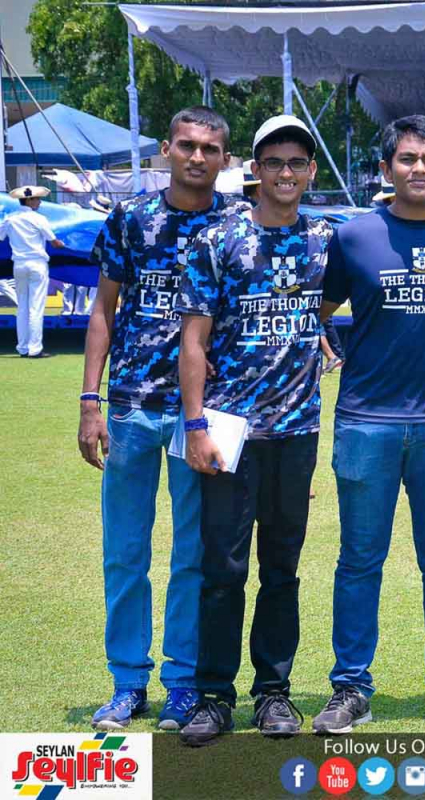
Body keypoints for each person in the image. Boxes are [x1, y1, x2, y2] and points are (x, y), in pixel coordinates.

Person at [311, 115, 425, 734]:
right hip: (366, 422)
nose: (419, 169)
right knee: (360, 559)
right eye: (407, 159)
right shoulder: (354, 235)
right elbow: (316, 309)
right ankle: (351, 687)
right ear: (386, 169)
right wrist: (327, 351)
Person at [79, 106, 244, 732]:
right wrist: (90, 401)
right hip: (130, 406)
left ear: (225, 158)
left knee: (192, 555)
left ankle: (182, 682)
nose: (197, 157)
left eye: (209, 148)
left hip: (201, 415)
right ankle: (127, 682)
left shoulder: (238, 223)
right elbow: (103, 311)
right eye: (186, 145)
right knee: (125, 552)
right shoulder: (131, 218)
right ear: (167, 150)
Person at [176, 115, 330, 746]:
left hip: (297, 431)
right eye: (274, 162)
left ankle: (273, 693)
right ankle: (214, 696)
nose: (285, 173)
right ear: (255, 169)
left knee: (282, 568)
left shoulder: (326, 239)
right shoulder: (217, 239)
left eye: (296, 163)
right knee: (223, 568)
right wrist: (194, 425)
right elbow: (193, 340)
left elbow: (384, 245)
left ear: (311, 171)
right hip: (228, 430)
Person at [1, 186, 64, 357]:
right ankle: (35, 348)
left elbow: (1, 236)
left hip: (19, 264)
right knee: (36, 307)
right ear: (29, 200)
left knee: (22, 307)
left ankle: (22, 347)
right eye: (37, 199)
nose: (40, 202)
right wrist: (66, 244)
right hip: (37, 264)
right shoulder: (39, 219)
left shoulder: (10, 219)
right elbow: (54, 242)